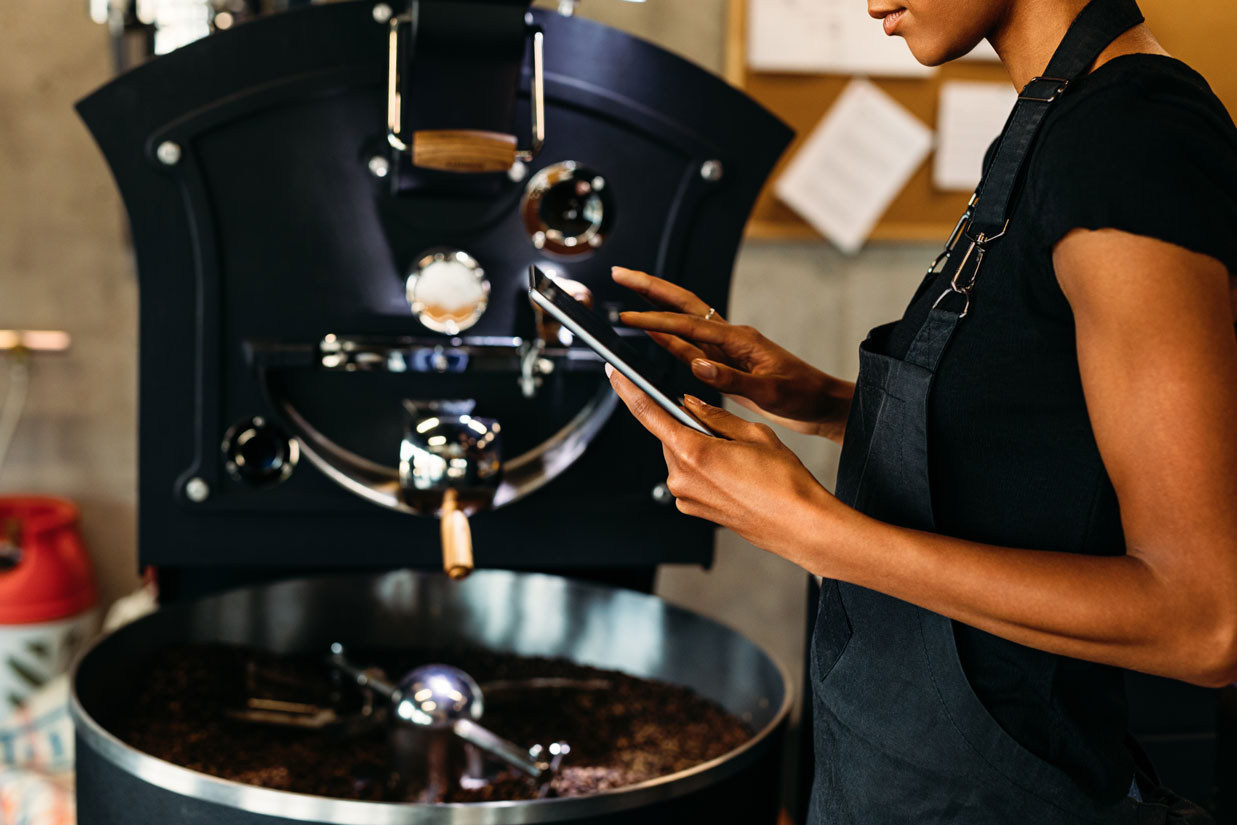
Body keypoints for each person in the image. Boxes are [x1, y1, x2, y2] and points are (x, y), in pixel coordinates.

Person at [604, 0, 1237, 822]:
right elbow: (1043, 441)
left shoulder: (1131, 142)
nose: (869, 0)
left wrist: (812, 530)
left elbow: (1205, 619)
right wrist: (823, 402)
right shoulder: (1053, 122)